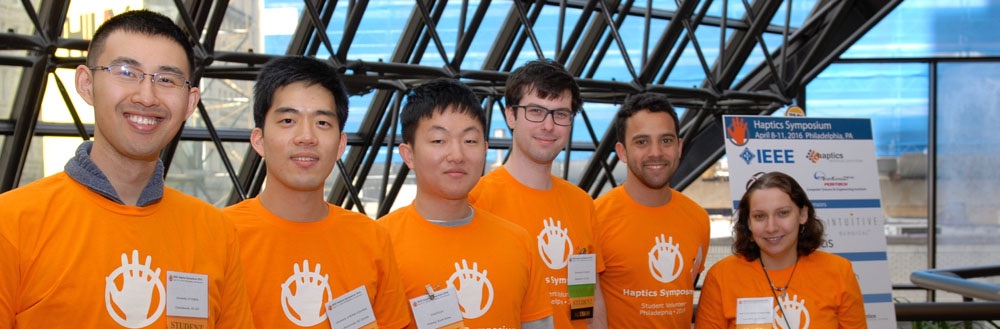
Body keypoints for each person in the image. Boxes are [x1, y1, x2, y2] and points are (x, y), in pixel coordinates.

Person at [0, 10, 253, 328]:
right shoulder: (11, 225)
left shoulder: (215, 233)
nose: (146, 96)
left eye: (166, 80)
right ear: (86, 84)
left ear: (189, 103)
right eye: (126, 72)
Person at [223, 56, 409, 328]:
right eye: (288, 120)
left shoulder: (372, 240)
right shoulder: (220, 236)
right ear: (259, 140)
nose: (306, 137)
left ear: (341, 144)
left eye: (322, 123)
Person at [376, 78, 553, 329]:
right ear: (409, 155)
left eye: (470, 141)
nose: (457, 155)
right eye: (439, 141)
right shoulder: (379, 244)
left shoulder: (518, 242)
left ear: (485, 150)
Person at [468, 59, 605, 329]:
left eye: (561, 114)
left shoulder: (581, 203)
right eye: (535, 111)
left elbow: (587, 300)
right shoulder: (477, 201)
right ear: (510, 116)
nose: (548, 125)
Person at [592, 93, 710, 328]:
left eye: (666, 141)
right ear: (622, 151)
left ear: (679, 147)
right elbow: (583, 310)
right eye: (642, 142)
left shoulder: (698, 218)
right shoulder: (594, 217)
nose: (656, 152)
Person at [695, 172, 866, 329]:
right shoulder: (722, 277)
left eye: (783, 213)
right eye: (760, 216)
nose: (771, 227)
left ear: (803, 214)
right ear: (748, 223)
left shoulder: (839, 271)